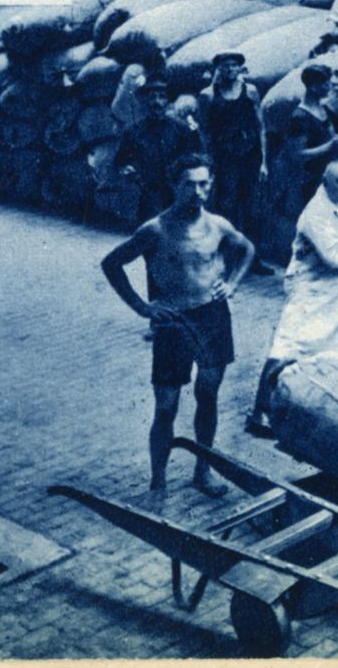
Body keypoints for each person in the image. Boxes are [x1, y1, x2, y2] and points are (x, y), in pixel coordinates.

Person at [100, 153, 255, 497]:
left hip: (212, 318)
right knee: (166, 406)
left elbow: (246, 249)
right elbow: (111, 264)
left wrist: (232, 284)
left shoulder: (218, 226)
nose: (197, 192)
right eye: (189, 184)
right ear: (174, 185)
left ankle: (203, 471)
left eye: (203, 184)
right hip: (173, 322)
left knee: (208, 397)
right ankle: (158, 479)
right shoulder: (155, 229)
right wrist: (141, 307)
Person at [247, 161, 338, 436]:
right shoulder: (315, 213)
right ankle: (262, 411)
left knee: (335, 351)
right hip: (312, 288)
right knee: (290, 346)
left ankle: (319, 409)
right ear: (325, 182)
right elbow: (335, 256)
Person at [199, 51, 274, 276]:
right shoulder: (208, 95)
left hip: (250, 157)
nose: (230, 69)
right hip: (225, 158)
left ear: (240, 68)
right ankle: (228, 259)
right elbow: (204, 132)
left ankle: (253, 258)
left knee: (253, 209)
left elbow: (260, 127)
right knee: (227, 208)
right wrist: (208, 162)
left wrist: (264, 162)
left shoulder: (250, 91)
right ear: (218, 69)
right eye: (225, 66)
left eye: (234, 65)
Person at [113, 74, 205, 228]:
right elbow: (120, 161)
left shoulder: (181, 129)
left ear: (168, 101)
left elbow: (195, 158)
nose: (157, 102)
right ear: (144, 101)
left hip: (176, 193)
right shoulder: (133, 131)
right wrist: (127, 169)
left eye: (162, 97)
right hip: (148, 194)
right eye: (152, 97)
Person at [283, 63, 338, 210]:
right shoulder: (300, 117)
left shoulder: (324, 109)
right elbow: (297, 154)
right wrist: (329, 146)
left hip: (329, 175)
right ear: (314, 87)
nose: (330, 87)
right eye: (326, 84)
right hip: (312, 180)